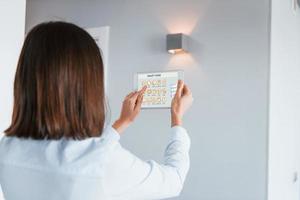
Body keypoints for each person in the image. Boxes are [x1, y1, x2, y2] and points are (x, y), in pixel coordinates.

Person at [0, 21, 193, 200]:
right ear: (87, 84)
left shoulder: (7, 148)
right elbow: (173, 180)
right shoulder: (102, 162)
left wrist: (122, 122)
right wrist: (177, 118)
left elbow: (79, 158)